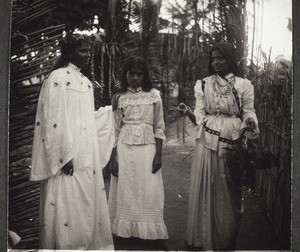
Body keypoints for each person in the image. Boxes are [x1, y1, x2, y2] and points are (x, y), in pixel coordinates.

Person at [29, 34, 114, 250]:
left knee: (85, 201)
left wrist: (110, 113)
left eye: (88, 51)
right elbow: (53, 119)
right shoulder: (57, 77)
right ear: (69, 53)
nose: (88, 55)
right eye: (83, 51)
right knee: (66, 199)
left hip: (86, 151)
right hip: (67, 152)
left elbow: (86, 117)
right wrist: (63, 154)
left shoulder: (85, 82)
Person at [178, 42, 259, 250]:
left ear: (229, 59)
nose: (215, 62)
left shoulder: (243, 85)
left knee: (230, 189)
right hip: (208, 139)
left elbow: (248, 111)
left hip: (232, 138)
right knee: (208, 185)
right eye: (213, 58)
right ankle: (205, 238)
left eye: (220, 58)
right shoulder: (204, 84)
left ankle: (225, 239)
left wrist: (250, 122)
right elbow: (200, 114)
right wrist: (188, 113)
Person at [108, 56, 169, 244]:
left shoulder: (154, 96)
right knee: (126, 188)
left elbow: (159, 126)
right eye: (131, 74)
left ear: (145, 76)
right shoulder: (120, 98)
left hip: (147, 148)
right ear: (125, 75)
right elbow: (115, 129)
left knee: (149, 188)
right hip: (125, 149)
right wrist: (112, 158)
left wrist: (158, 155)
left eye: (139, 74)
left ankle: (150, 233)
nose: (135, 78)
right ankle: (126, 232)